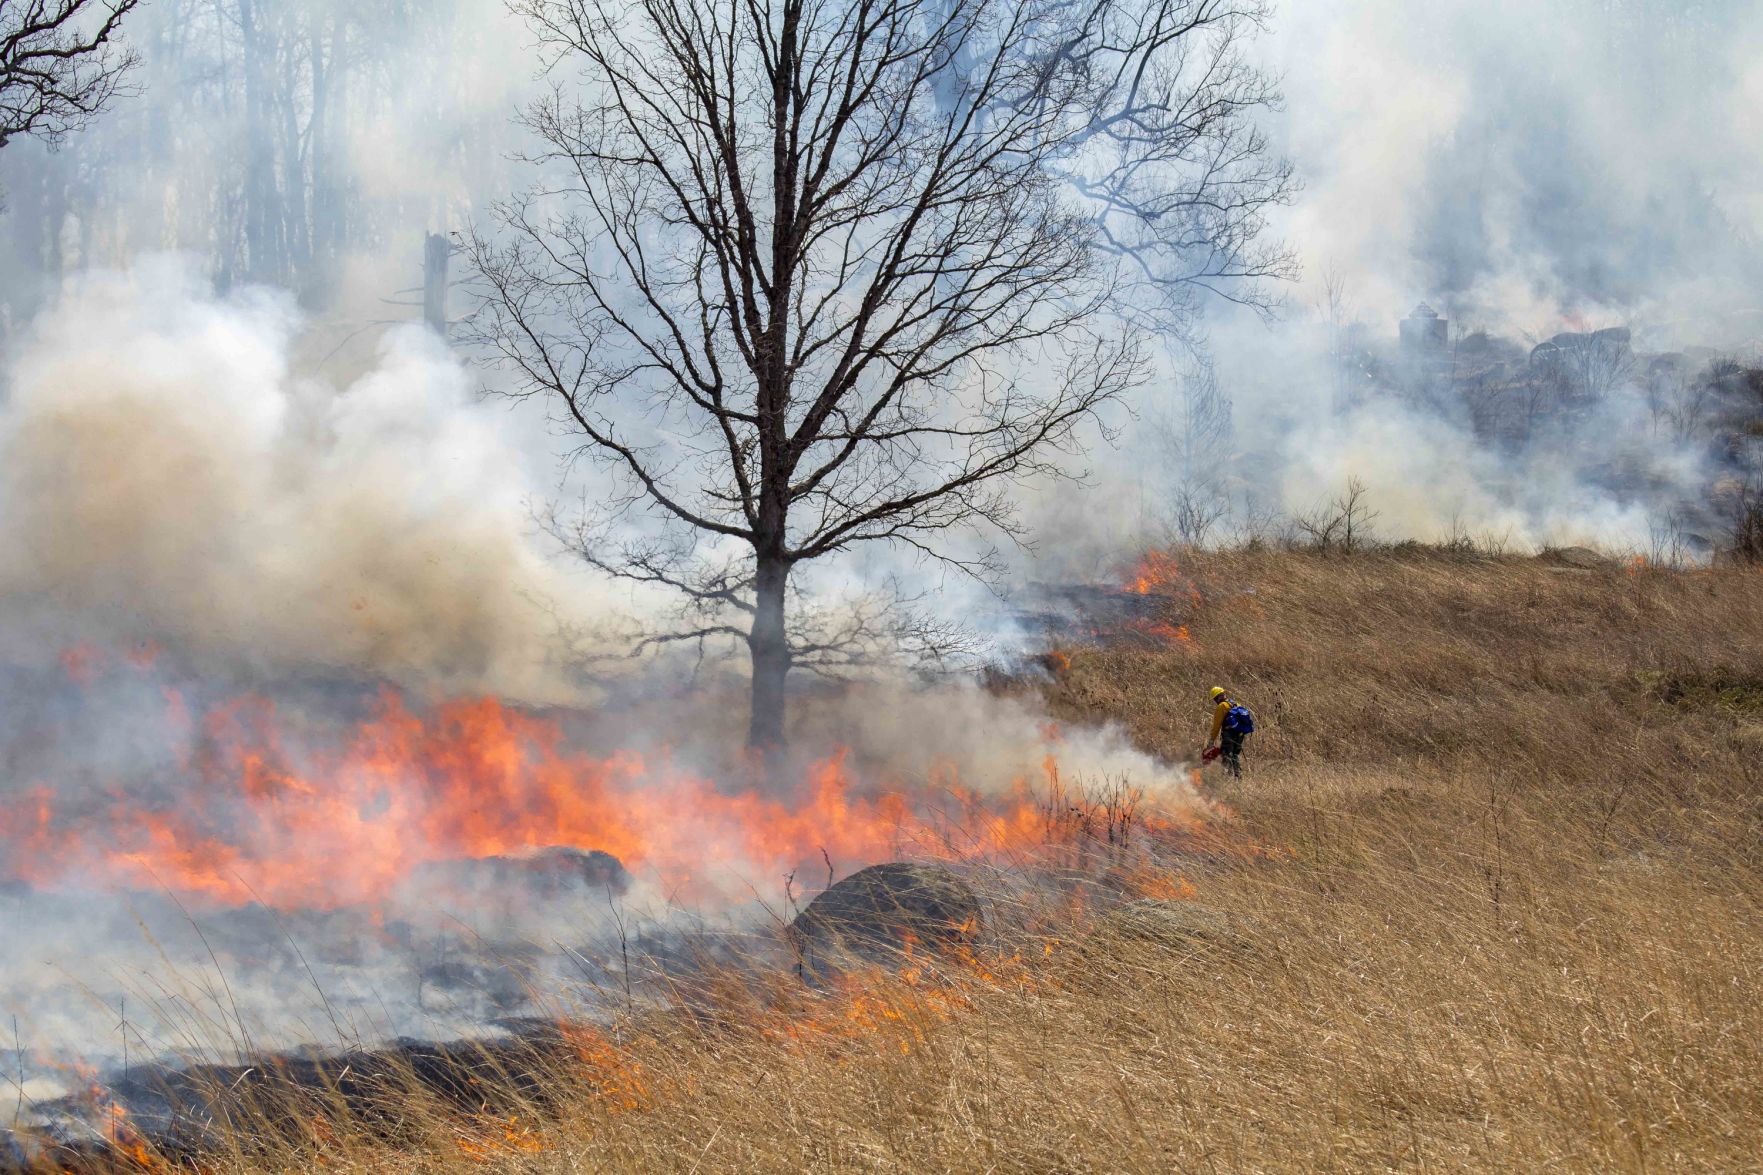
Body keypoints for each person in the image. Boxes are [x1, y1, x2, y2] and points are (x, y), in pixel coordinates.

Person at [1204, 686, 1254, 779]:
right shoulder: (1236, 704)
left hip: (1229, 734)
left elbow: (1216, 726)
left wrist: (1211, 740)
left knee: (1226, 755)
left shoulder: (1221, 706)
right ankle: (1238, 776)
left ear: (1217, 697)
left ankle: (1227, 777)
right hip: (1240, 734)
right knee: (1235, 755)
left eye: (1215, 699)